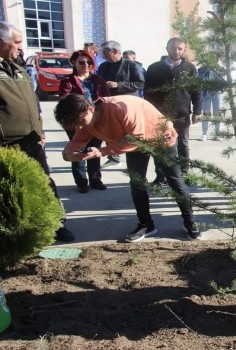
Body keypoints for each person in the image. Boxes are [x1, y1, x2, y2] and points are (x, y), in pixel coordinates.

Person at [54, 94, 202, 242]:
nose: (80, 127)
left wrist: (103, 151)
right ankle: (146, 225)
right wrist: (70, 155)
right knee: (137, 183)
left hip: (160, 138)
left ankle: (190, 223)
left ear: (90, 109)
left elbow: (137, 138)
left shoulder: (121, 107)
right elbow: (74, 146)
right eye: (75, 125)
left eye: (80, 122)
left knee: (174, 180)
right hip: (131, 144)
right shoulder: (84, 121)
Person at [0, 21, 75, 242]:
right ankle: (15, 237)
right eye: (17, 42)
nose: (21, 47)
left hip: (32, 140)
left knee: (45, 183)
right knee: (12, 191)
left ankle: (56, 225)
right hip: (7, 145)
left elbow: (34, 104)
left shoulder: (18, 70)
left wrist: (40, 131)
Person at [144, 37, 202, 185]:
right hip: (159, 115)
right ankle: (161, 176)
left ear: (184, 50)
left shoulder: (189, 68)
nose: (176, 51)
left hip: (181, 114)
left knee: (182, 144)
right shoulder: (154, 68)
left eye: (180, 49)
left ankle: (184, 174)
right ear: (167, 48)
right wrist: (148, 113)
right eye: (173, 48)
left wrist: (197, 110)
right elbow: (148, 93)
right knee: (160, 145)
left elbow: (196, 91)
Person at [59, 50, 110, 193]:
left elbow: (106, 99)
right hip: (77, 122)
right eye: (81, 62)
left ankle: (95, 179)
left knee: (94, 150)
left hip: (95, 121)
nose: (86, 65)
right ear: (74, 63)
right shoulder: (67, 81)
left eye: (89, 62)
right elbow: (64, 100)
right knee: (78, 150)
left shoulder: (98, 80)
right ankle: (81, 182)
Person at [97, 40, 145, 168]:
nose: (103, 55)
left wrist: (118, 85)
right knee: (110, 131)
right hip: (109, 104)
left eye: (105, 52)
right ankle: (113, 156)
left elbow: (140, 83)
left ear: (115, 51)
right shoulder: (103, 66)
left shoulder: (131, 65)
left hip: (127, 106)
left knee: (130, 133)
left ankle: (135, 160)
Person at [198, 64, 223, 141]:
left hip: (217, 94)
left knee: (217, 114)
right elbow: (199, 80)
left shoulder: (220, 68)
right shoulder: (201, 69)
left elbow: (224, 80)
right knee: (205, 114)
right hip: (206, 93)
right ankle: (204, 133)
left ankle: (218, 134)